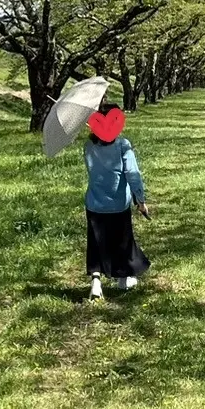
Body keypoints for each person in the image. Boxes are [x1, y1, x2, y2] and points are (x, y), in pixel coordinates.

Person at [83, 103, 151, 301]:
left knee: (96, 242)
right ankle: (123, 278)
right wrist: (140, 200)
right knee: (122, 241)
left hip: (94, 203)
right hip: (118, 204)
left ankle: (96, 281)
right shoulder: (123, 145)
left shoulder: (88, 146)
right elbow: (133, 174)